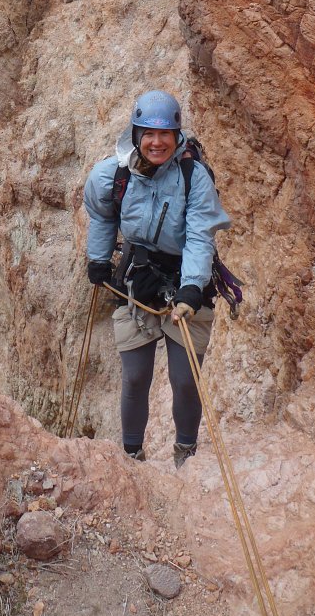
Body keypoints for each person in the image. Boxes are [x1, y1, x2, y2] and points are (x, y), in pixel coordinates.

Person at [83, 90, 231, 467]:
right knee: (135, 377)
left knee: (184, 379)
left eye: (165, 134)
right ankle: (131, 455)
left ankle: (186, 453)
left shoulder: (193, 177)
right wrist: (99, 260)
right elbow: (103, 217)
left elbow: (200, 234)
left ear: (177, 136)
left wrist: (193, 287)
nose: (156, 141)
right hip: (137, 278)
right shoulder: (111, 175)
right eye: (148, 133)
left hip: (186, 277)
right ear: (135, 134)